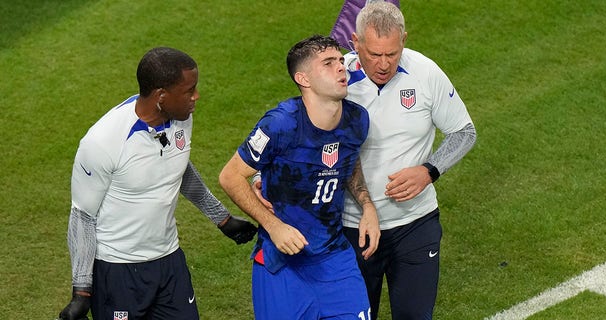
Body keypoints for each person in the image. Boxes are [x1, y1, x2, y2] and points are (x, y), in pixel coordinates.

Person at [58, 47, 257, 320]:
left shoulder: (182, 118)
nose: (196, 96)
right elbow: (82, 217)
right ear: (161, 96)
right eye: (189, 90)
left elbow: (178, 168)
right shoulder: (102, 142)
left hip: (169, 261)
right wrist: (81, 291)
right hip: (118, 271)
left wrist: (222, 219)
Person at [218, 35, 380, 320]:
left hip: (335, 258)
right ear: (303, 78)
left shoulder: (357, 120)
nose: (341, 67)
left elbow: (348, 162)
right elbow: (230, 176)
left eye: (341, 61)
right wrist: (274, 226)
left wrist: (367, 205)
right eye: (328, 63)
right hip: (282, 265)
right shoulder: (281, 124)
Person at [341, 2, 478, 319]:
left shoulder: (426, 72)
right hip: (353, 229)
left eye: (392, 53)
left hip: (415, 226)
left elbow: (464, 132)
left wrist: (429, 171)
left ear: (403, 39)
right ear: (355, 42)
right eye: (374, 54)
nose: (384, 64)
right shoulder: (337, 81)